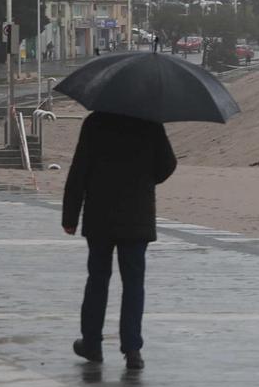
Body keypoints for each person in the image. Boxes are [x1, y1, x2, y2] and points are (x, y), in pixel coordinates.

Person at [63, 111, 177, 370]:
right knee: (134, 284)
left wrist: (70, 215)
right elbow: (167, 165)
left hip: (99, 216)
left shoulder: (95, 122)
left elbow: (79, 169)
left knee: (98, 280)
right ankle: (133, 349)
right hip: (137, 216)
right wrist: (145, 176)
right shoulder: (150, 122)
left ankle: (92, 343)